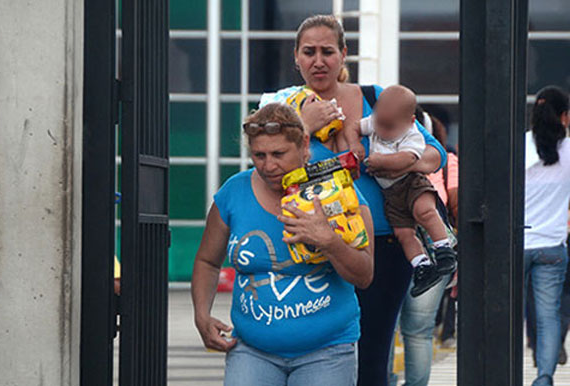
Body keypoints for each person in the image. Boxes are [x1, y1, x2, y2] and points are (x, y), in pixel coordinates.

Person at [260, 14, 447, 385]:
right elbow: (264, 165)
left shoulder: (376, 98)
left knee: (372, 358)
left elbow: (435, 154)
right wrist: (303, 123)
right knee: (315, 357)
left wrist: (399, 161)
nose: (319, 61)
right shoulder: (279, 105)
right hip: (310, 248)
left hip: (382, 245)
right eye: (309, 52)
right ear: (296, 57)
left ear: (344, 54)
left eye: (328, 51)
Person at [191, 103, 375, 386]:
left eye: (278, 154)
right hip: (252, 351)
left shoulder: (338, 192)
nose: (268, 165)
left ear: (303, 144)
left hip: (327, 352)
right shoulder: (233, 193)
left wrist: (328, 241)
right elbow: (207, 261)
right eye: (259, 155)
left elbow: (364, 275)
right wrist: (201, 315)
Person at [359, 85, 457, 297]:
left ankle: (444, 250)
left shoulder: (412, 135)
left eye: (389, 127)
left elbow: (409, 158)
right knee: (403, 233)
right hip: (391, 195)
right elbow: (356, 128)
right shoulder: (377, 122)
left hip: (410, 184)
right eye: (379, 123)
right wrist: (352, 142)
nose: (382, 131)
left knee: (425, 212)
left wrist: (381, 161)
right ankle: (421, 266)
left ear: (410, 122)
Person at [387, 109, 459, 386]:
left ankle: (388, 380)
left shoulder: (383, 161)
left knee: (386, 327)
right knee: (418, 331)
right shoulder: (444, 161)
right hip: (433, 246)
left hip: (395, 244)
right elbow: (455, 204)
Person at [524, 86, 570, 386]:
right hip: (552, 245)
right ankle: (544, 378)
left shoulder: (519, 144)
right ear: (565, 116)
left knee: (507, 313)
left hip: (516, 241)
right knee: (548, 316)